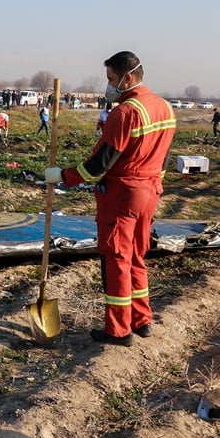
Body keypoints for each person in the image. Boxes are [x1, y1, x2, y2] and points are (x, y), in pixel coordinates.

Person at [45, 51, 176, 346]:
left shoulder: (125, 112)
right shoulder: (164, 106)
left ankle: (118, 330)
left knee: (116, 259)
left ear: (127, 78)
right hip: (150, 192)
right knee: (136, 255)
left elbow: (97, 166)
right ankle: (142, 320)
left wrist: (61, 176)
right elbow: (164, 156)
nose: (109, 86)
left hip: (122, 197)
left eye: (111, 79)